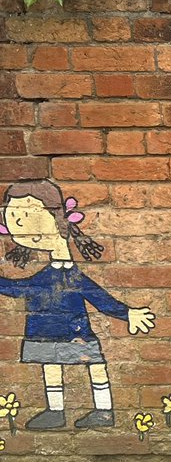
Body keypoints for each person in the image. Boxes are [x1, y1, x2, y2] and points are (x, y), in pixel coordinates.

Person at [0, 179, 156, 430]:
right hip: (44, 331)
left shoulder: (70, 275)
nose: (16, 225)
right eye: (13, 217)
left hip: (75, 333)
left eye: (26, 215)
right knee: (52, 367)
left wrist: (127, 313)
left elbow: (98, 296)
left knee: (94, 364)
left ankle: (103, 410)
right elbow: (18, 290)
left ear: (58, 220)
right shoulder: (47, 275)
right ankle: (56, 411)